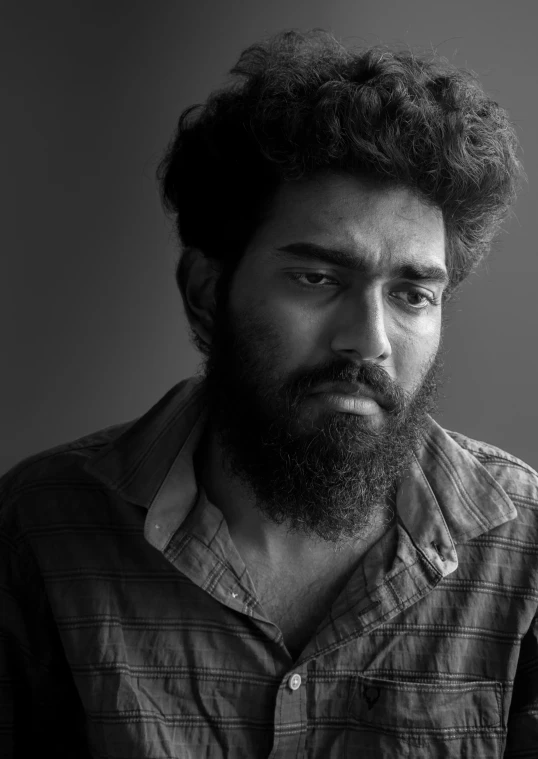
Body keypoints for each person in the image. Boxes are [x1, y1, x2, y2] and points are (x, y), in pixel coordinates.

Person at [0, 28, 534, 758]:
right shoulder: (40, 533)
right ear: (206, 291)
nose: (368, 339)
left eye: (412, 293)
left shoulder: (525, 555)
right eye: (318, 278)